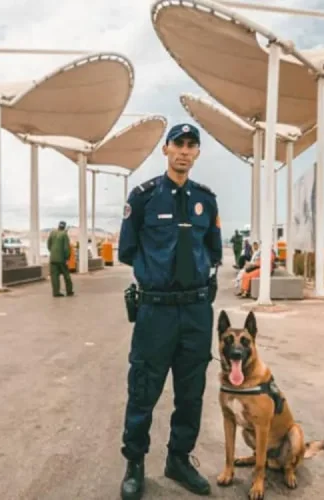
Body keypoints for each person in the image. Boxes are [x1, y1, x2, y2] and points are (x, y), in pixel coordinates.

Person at [117, 123, 222, 499]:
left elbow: (213, 250)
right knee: (143, 389)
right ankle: (135, 463)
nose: (184, 151)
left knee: (191, 392)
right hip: (156, 312)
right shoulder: (144, 197)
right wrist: (157, 275)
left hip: (196, 311)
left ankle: (179, 459)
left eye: (191, 145)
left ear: (197, 153)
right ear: (166, 149)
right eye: (178, 144)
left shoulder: (206, 200)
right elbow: (127, 250)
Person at [47, 221, 74, 297]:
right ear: (64, 227)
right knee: (66, 275)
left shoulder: (52, 233)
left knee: (54, 276)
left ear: (58, 226)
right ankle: (69, 291)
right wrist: (67, 258)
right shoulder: (64, 234)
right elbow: (66, 248)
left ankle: (56, 292)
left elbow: (48, 245)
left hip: (53, 258)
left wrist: (53, 252)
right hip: (61, 259)